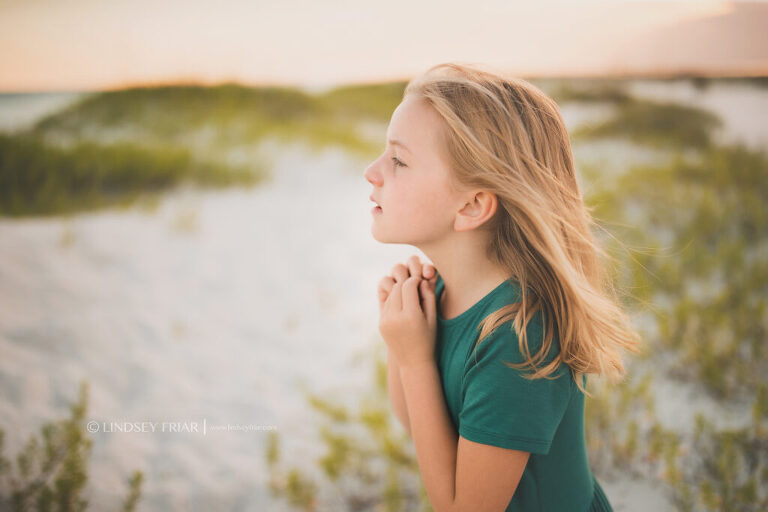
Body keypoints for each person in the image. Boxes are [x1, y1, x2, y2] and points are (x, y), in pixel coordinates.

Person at [364, 62, 643, 512]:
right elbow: (419, 425)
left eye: (398, 160)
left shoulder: (519, 336)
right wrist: (403, 342)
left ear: (473, 205)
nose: (372, 171)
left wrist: (415, 361)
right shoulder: (443, 292)